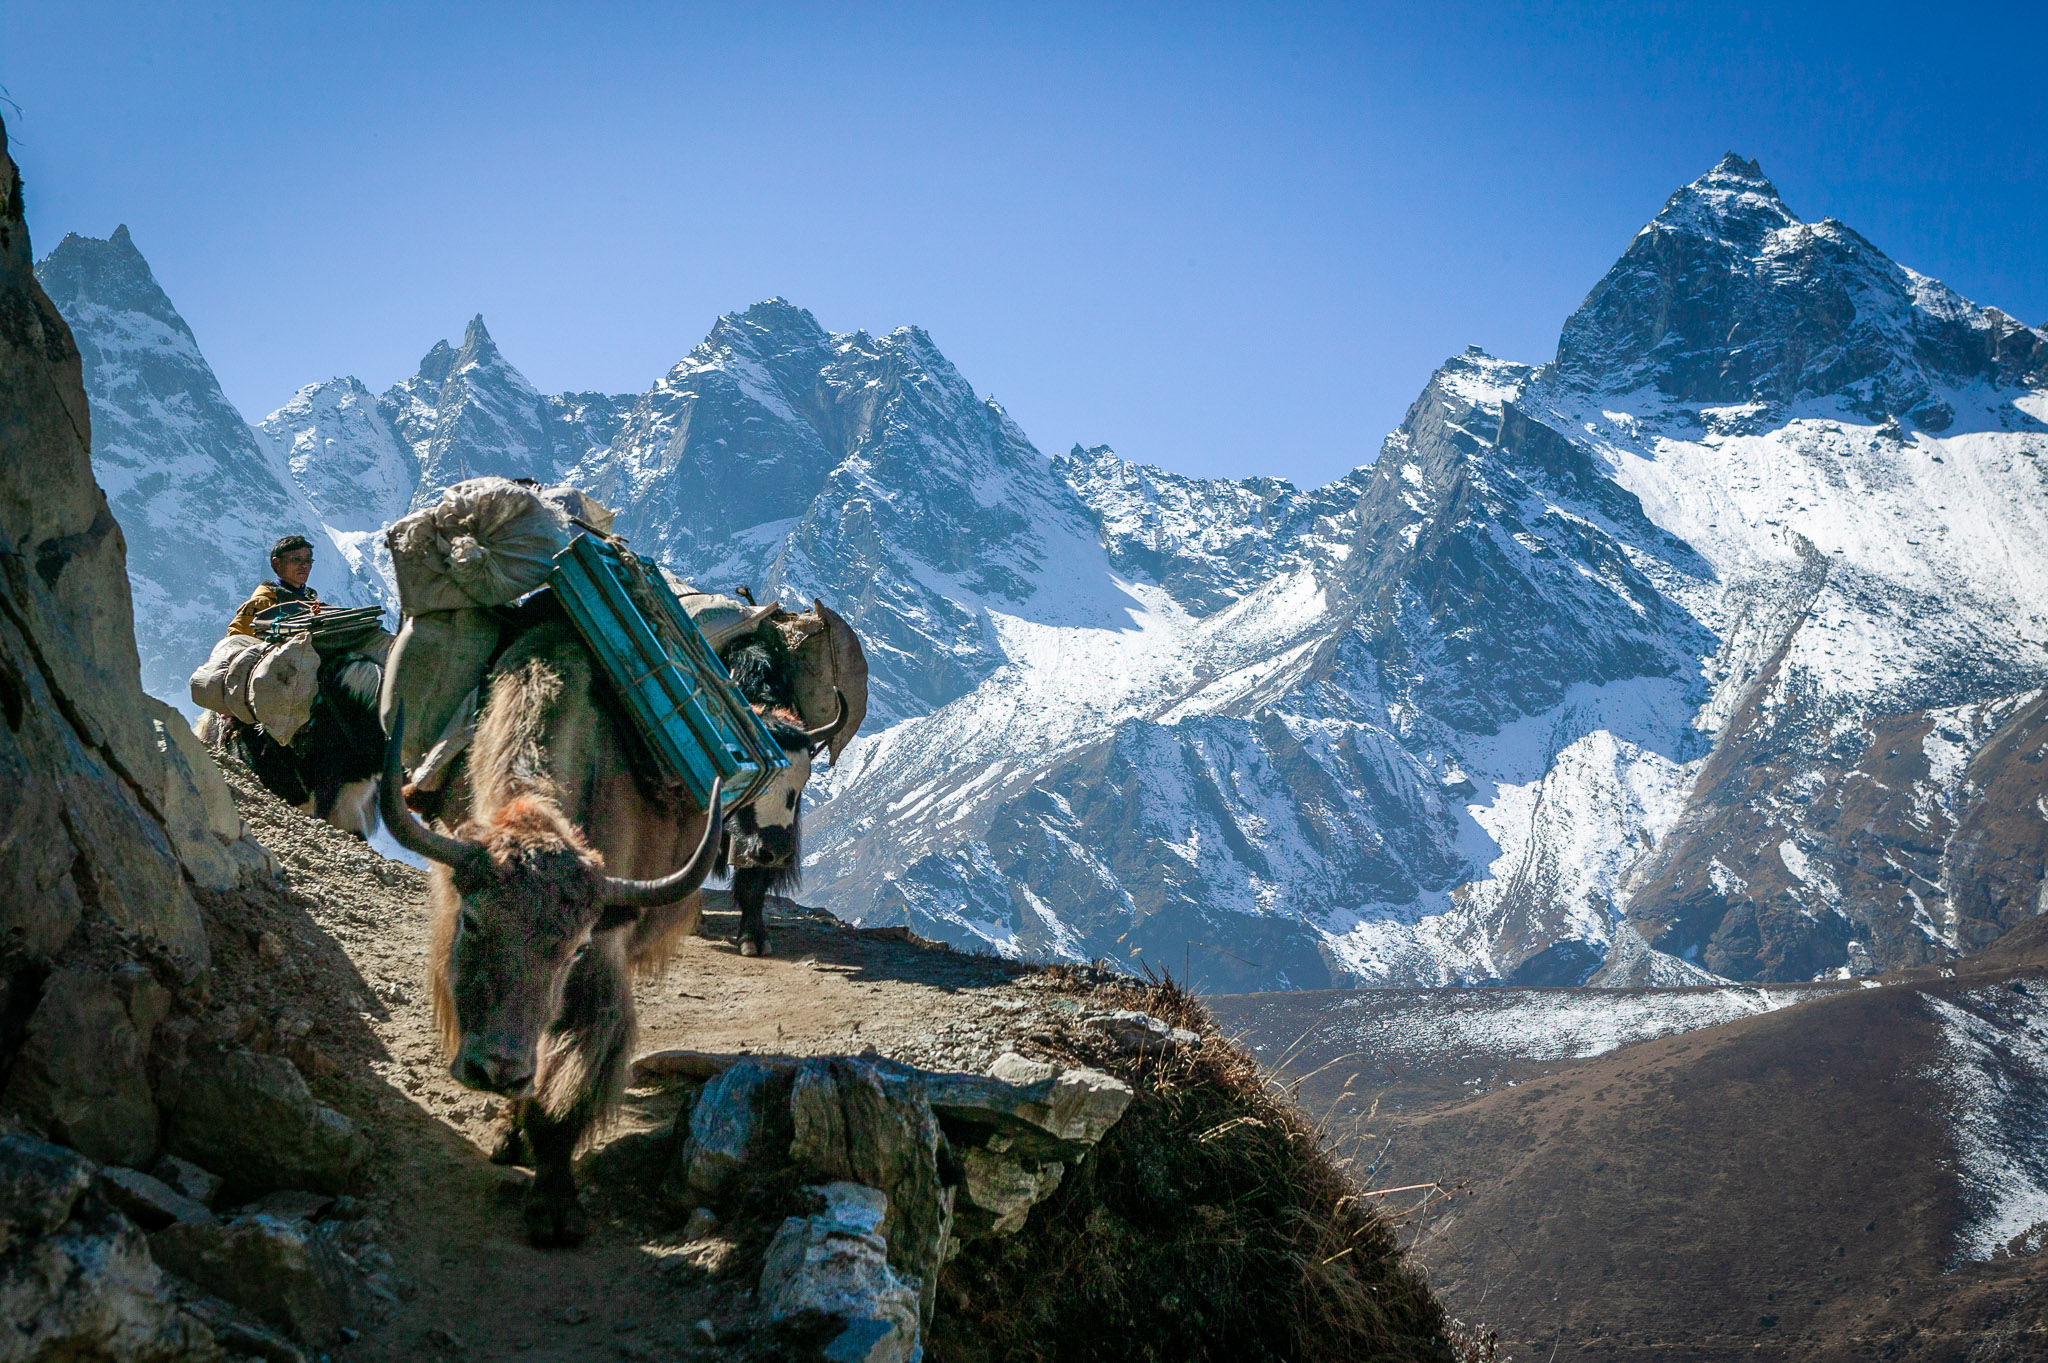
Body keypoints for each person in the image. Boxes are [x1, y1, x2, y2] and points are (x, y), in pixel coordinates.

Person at [228, 535, 323, 637]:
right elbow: (236, 640)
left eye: (308, 560)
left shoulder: (313, 605)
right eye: (296, 559)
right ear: (277, 563)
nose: (304, 565)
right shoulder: (261, 604)